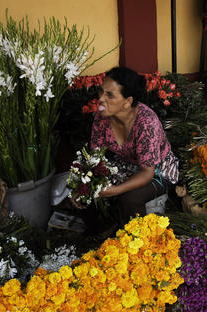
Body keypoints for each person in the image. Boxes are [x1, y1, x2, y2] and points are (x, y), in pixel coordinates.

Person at [76, 66, 179, 235]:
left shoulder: (146, 123)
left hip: (158, 170)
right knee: (86, 187)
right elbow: (95, 158)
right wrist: (83, 185)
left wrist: (115, 190)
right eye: (101, 91)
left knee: (130, 199)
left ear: (128, 101)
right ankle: (101, 234)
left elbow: (147, 173)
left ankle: (136, 241)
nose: (101, 99)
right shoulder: (102, 118)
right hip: (126, 165)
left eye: (110, 95)